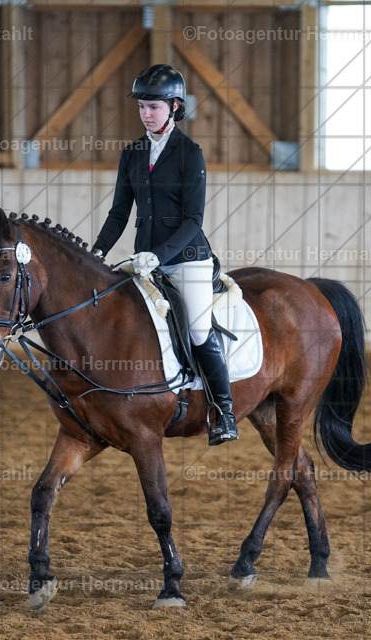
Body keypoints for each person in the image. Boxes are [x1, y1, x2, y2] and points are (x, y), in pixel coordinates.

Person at [92, 64, 238, 446]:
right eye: (142, 106)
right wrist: (95, 251)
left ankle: (224, 411)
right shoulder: (133, 153)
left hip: (187, 257)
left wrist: (158, 255)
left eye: (154, 107)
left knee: (198, 329)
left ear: (175, 107)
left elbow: (194, 219)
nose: (146, 114)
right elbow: (119, 213)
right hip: (146, 261)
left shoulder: (190, 153)